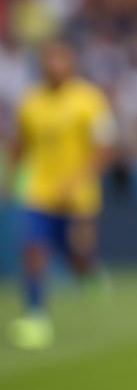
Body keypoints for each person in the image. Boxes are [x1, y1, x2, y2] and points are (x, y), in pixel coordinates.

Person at [5, 39, 115, 350]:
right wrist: (12, 179)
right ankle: (35, 316)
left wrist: (77, 180)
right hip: (38, 191)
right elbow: (19, 145)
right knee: (33, 249)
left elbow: (104, 147)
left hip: (77, 196)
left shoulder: (88, 99)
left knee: (77, 255)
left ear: (70, 63)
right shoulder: (30, 102)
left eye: (60, 59)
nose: (54, 66)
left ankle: (88, 273)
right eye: (49, 60)